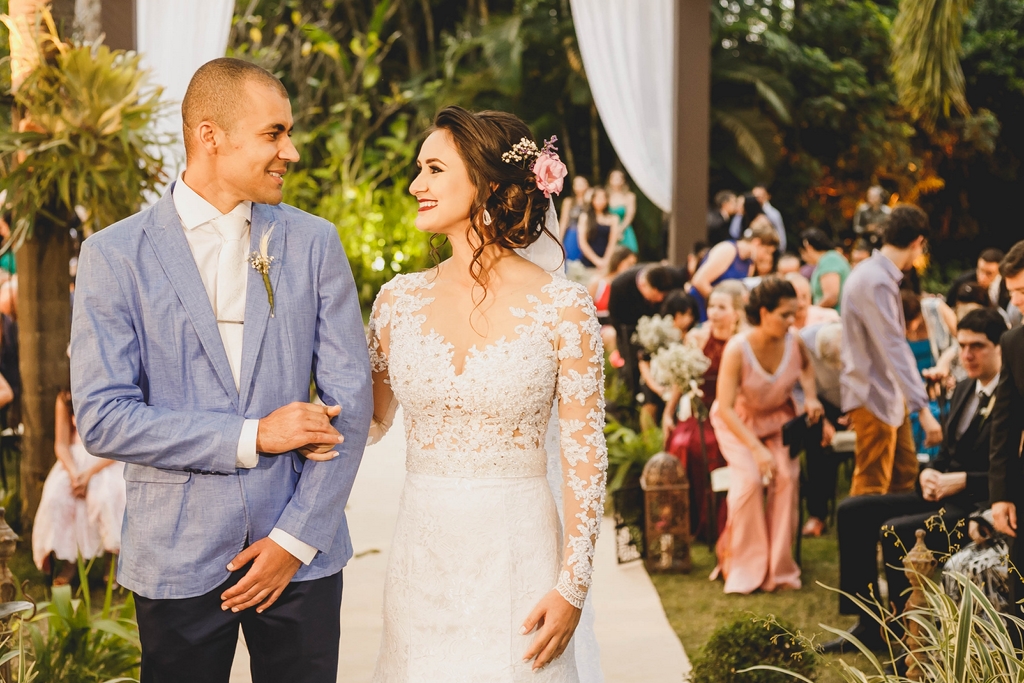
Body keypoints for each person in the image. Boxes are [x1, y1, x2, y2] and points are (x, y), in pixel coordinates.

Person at [70, 58, 373, 682]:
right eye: (273, 133)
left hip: (300, 556)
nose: (290, 151)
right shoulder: (113, 255)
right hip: (176, 553)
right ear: (210, 135)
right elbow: (103, 419)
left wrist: (295, 539)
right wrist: (253, 435)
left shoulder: (315, 243)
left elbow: (351, 401)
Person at [365, 106, 607, 680]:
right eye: (419, 169)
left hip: (519, 556)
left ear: (489, 184)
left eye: (433, 169)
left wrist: (572, 586)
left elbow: (584, 457)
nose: (415, 185)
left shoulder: (564, 308)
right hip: (421, 561)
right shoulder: (396, 303)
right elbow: (367, 420)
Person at [823, 308, 1006, 652]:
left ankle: (910, 636)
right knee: (853, 511)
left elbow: (1012, 470)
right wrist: (929, 473)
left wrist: (963, 481)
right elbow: (947, 451)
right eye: (962, 345)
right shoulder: (965, 388)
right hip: (942, 494)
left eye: (977, 346)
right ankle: (869, 623)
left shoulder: (1011, 397)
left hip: (978, 506)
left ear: (1000, 347)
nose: (967, 355)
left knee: (895, 531)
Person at [710, 278, 823, 594]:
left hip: (777, 422)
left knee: (786, 477)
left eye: (794, 314)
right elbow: (726, 408)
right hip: (739, 424)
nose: (792, 321)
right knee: (749, 481)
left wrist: (811, 397)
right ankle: (745, 567)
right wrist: (757, 450)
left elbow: (807, 369)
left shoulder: (794, 340)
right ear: (763, 313)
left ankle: (779, 569)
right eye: (785, 315)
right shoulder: (737, 349)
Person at [840, 205, 943, 498]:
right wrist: (923, 409)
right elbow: (893, 346)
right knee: (871, 485)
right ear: (917, 242)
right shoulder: (875, 280)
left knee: (904, 476)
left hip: (887, 394)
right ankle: (863, 532)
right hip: (873, 394)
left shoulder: (873, 275)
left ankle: (894, 531)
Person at [664, 280, 746, 538]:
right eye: (711, 306)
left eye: (722, 307)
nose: (714, 312)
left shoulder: (742, 341)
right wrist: (668, 412)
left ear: (736, 312)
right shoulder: (697, 337)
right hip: (700, 411)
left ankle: (720, 521)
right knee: (682, 444)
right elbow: (681, 380)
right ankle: (685, 520)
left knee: (712, 446)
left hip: (732, 412)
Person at [33, 388, 124, 584]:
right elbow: (61, 444)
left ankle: (112, 559)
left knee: (104, 498)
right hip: (73, 463)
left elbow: (119, 444)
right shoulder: (65, 397)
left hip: (105, 461)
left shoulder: (113, 390)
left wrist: (89, 474)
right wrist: (75, 476)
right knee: (57, 498)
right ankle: (70, 560)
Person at [988, 239, 1024, 617]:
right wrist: (1001, 495)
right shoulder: (1013, 341)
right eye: (1012, 293)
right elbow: (1005, 423)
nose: (1017, 302)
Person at [797, 322, 844, 537]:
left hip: (856, 400)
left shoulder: (856, 335)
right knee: (816, 442)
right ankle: (817, 514)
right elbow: (795, 388)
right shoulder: (803, 342)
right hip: (820, 403)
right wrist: (822, 418)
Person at [607, 262, 681, 396]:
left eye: (663, 295)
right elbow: (615, 318)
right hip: (631, 331)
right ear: (643, 286)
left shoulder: (672, 275)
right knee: (631, 370)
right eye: (656, 294)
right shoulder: (620, 286)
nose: (660, 299)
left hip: (666, 330)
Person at [687, 223, 778, 321]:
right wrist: (720, 304)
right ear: (757, 243)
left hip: (721, 312)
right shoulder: (728, 250)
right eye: (767, 251)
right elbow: (699, 281)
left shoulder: (750, 264)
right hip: (699, 307)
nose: (767, 257)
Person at [799, 228, 850, 311]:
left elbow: (831, 297)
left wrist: (812, 312)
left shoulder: (829, 260)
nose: (802, 257)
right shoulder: (829, 259)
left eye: (802, 252)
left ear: (808, 248)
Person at [945, 248, 1010, 310]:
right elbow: (948, 305)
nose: (982, 277)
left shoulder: (1008, 285)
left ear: (1000, 273)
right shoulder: (963, 281)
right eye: (980, 270)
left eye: (989, 273)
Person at [577, 187, 621, 271]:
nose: (601, 201)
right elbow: (582, 243)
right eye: (598, 198)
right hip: (588, 262)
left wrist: (606, 260)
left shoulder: (613, 218)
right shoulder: (585, 217)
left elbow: (612, 242)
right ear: (592, 199)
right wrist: (597, 261)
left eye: (603, 198)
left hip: (607, 260)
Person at [730, 188, 787, 252]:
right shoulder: (741, 217)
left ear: (747, 206)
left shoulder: (762, 221)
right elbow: (734, 233)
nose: (737, 207)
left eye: (740, 205)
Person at [558, 175, 590, 264]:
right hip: (572, 234)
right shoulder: (569, 201)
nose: (579, 186)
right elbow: (563, 221)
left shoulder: (591, 201)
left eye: (581, 183)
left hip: (589, 234)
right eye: (576, 184)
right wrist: (559, 241)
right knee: (571, 261)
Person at [607, 169, 639, 254]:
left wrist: (620, 230)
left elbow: (629, 216)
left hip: (624, 229)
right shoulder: (606, 196)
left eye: (619, 178)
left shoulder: (629, 196)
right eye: (614, 178)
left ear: (623, 180)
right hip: (609, 229)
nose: (616, 180)